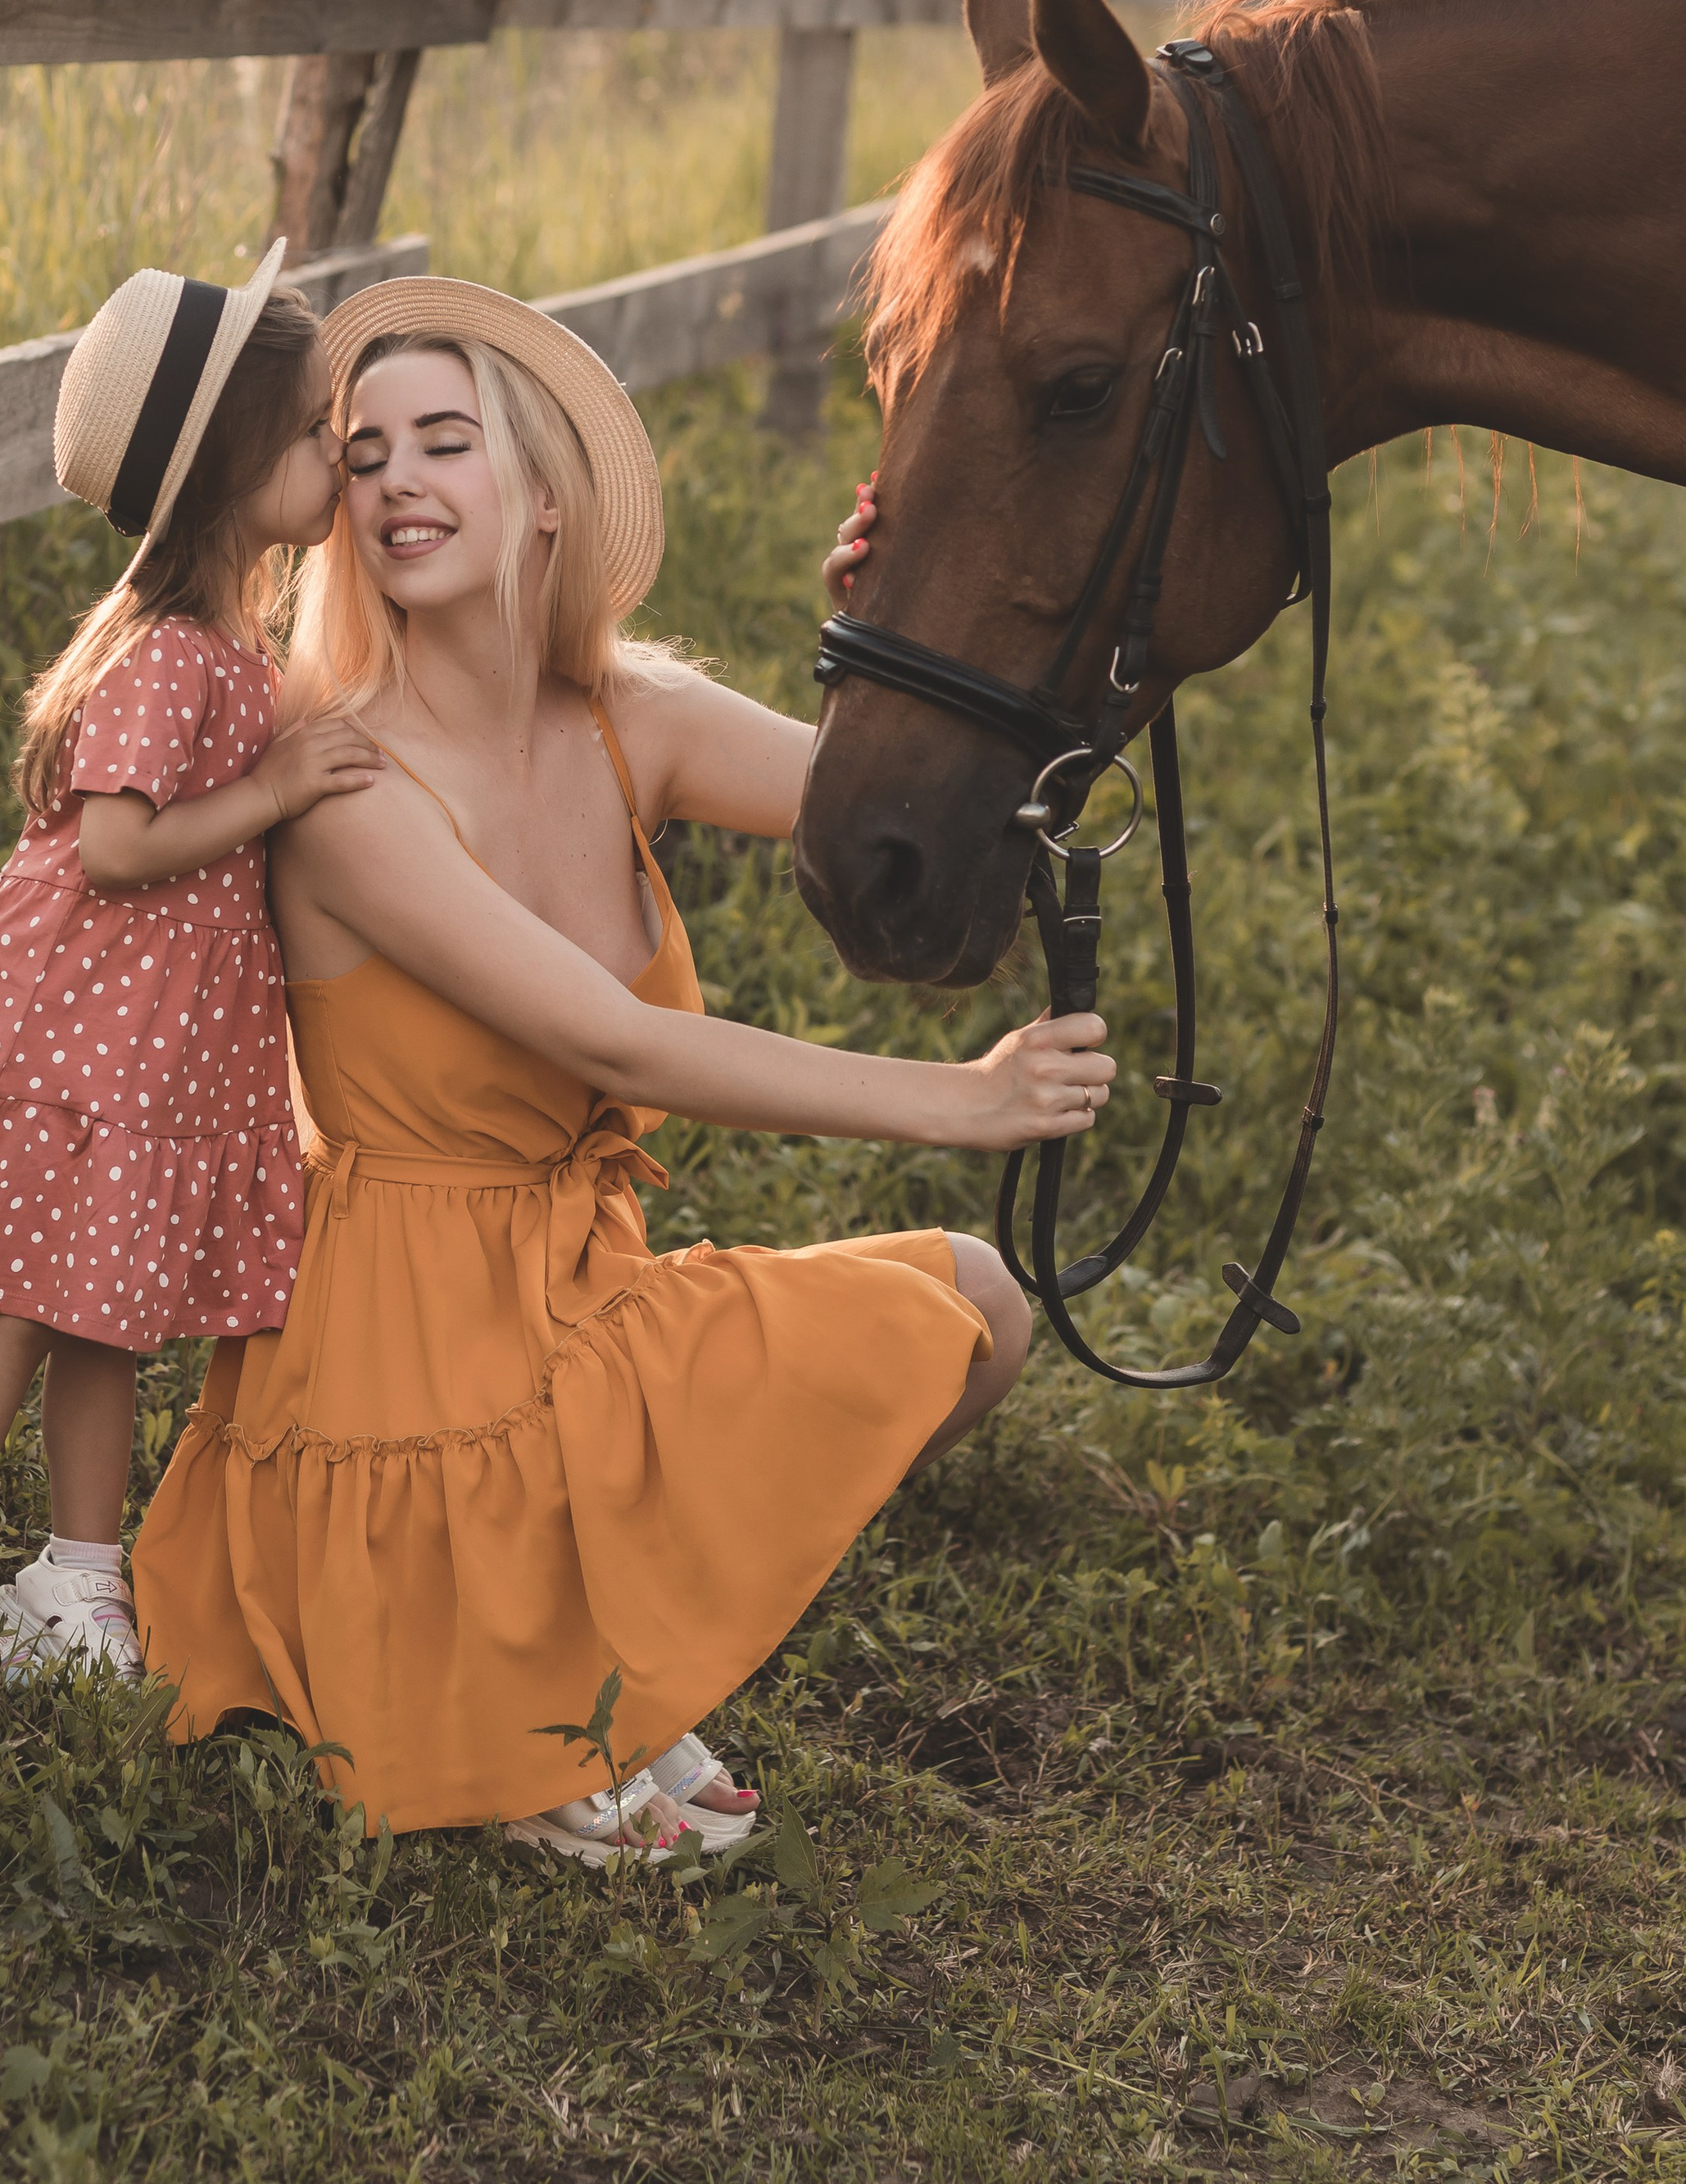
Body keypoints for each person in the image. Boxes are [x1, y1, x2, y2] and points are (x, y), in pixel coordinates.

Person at [134, 279, 1113, 1860]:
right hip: (404, 1355)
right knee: (918, 1308)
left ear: (538, 497)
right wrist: (963, 1095)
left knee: (983, 1306)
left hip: (584, 1292)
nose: (396, 481)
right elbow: (612, 1038)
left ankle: (609, 1654)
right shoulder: (342, 777)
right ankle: (533, 1698)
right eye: (364, 452)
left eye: (444, 442)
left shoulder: (623, 715)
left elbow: (917, 797)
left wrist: (902, 619)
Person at [0, 247, 381, 1676]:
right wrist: (276, 791)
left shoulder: (241, 640)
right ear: (231, 469)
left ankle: (79, 1575)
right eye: (309, 432)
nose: (338, 453)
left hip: (155, 1043)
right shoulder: (170, 658)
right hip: (76, 1030)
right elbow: (115, 846)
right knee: (24, 1305)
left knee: (113, 1308)